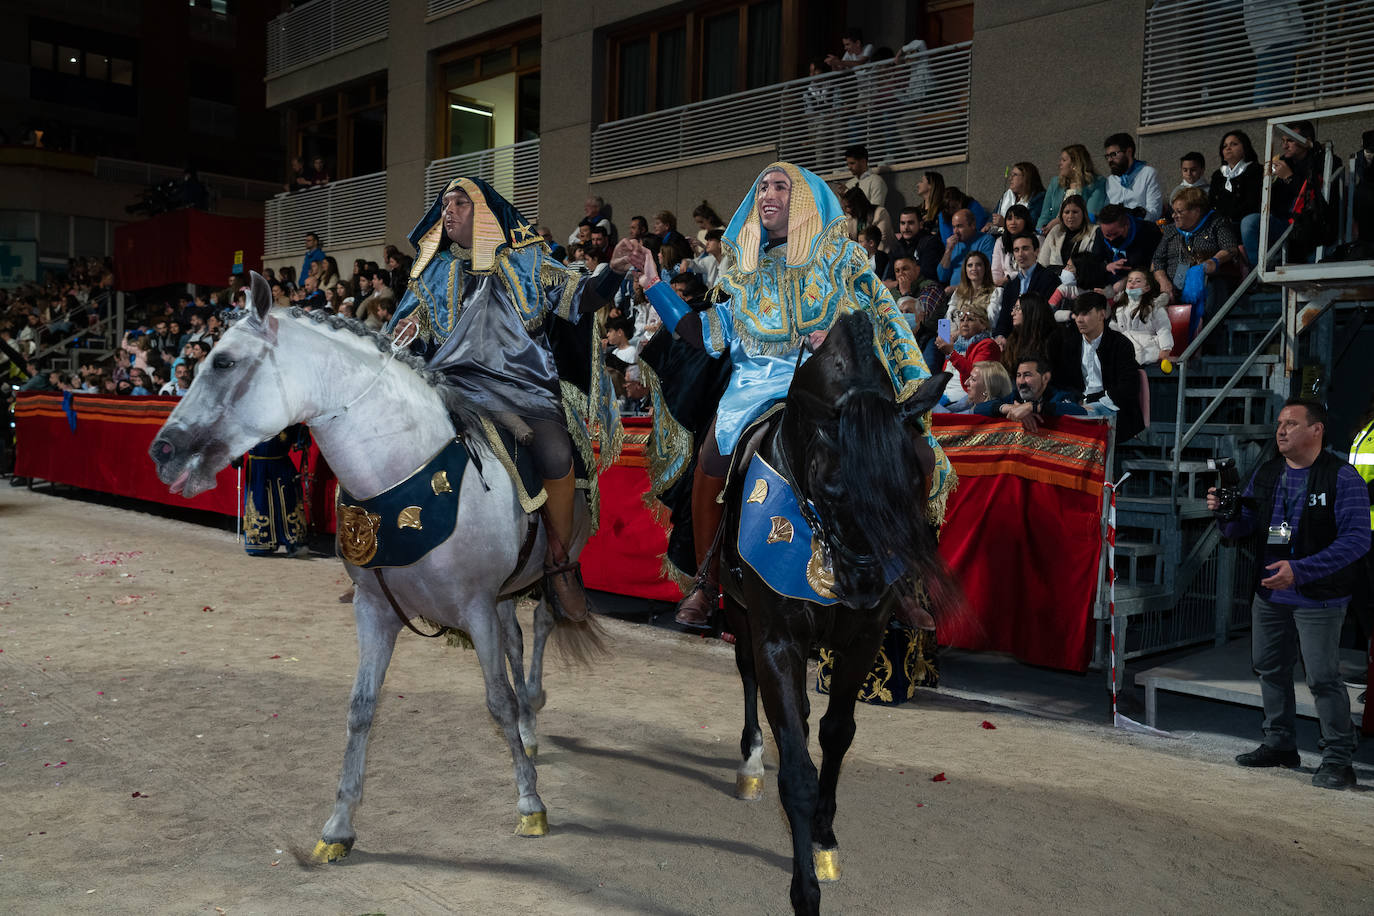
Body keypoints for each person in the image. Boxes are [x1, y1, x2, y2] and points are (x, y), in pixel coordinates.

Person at [632, 161, 953, 628]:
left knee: (912, 457)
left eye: (780, 186)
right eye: (762, 185)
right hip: (753, 388)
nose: (768, 192)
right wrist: (654, 285)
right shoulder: (742, 271)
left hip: (828, 384)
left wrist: (839, 333)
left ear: (800, 200)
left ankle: (897, 579)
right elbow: (704, 332)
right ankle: (706, 582)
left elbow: (880, 321)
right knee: (713, 458)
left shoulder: (842, 258)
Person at [386, 177, 634, 623]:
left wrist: (612, 272)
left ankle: (559, 564)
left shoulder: (526, 261)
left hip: (522, 390)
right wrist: (400, 343)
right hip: (452, 388)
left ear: (485, 211)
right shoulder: (431, 272)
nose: (450, 209)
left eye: (461, 202)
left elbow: (578, 300)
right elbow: (402, 336)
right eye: (445, 203)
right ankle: (382, 555)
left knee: (558, 454)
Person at [1208, 399, 1369, 789]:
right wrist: (1224, 512)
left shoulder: (1342, 478)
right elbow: (1243, 526)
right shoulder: (1267, 473)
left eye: (1292, 424)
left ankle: (1338, 758)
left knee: (1323, 678)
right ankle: (1280, 744)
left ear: (1317, 431)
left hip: (1319, 597)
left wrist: (1299, 571)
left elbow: (1357, 540)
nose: (1281, 431)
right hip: (1271, 596)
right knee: (1270, 670)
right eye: (1280, 423)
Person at [1052, 292, 1143, 442]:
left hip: (1112, 406)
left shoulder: (1120, 344)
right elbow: (1061, 382)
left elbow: (1128, 387)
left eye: (1085, 313)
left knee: (1081, 418)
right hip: (1078, 404)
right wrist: (1077, 400)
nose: (1079, 319)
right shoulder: (1069, 344)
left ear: (1102, 314)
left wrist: (1094, 401)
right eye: (1076, 314)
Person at [1151, 186, 1240, 337]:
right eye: (1174, 211)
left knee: (1213, 288)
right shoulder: (1171, 231)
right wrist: (1163, 281)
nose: (1174, 216)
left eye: (1180, 212)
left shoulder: (1215, 223)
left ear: (1196, 211)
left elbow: (1230, 248)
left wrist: (1214, 261)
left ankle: (1205, 342)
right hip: (1172, 287)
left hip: (1206, 283)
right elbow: (1157, 260)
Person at [241, 426, 311, 558]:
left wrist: (301, 434)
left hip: (281, 463)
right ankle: (260, 542)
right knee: (260, 504)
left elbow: (294, 424)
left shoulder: (284, 409)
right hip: (258, 466)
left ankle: (295, 542)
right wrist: (235, 455)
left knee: (288, 502)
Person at [976, 353, 1088, 432]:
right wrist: (1009, 408)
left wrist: (1033, 407)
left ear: (1045, 378)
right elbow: (978, 409)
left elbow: (1080, 411)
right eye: (1018, 375)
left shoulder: (1059, 396)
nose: (1021, 381)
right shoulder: (1014, 397)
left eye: (1027, 375)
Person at [1209, 130, 1264, 265]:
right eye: (1225, 146)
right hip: (1222, 223)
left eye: (1234, 144)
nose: (1228, 148)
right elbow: (1211, 202)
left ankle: (1255, 272)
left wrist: (1229, 216)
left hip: (1243, 221)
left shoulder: (1255, 170)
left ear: (1245, 147)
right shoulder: (1218, 174)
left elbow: (1253, 201)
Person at [932, 300, 1000, 409]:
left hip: (966, 398)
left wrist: (951, 353)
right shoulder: (956, 345)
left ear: (983, 325)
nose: (964, 323)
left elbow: (975, 377)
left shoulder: (988, 345)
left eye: (970, 319)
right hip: (944, 395)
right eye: (962, 319)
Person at [994, 233, 1059, 338]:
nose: (1020, 254)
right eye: (1016, 250)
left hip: (1038, 338)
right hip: (1014, 340)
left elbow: (1046, 316)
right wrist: (1000, 336)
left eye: (1025, 248)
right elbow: (1004, 318)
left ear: (1036, 251)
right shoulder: (1011, 285)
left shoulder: (1049, 278)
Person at [1038, 144, 1108, 232]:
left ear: (1075, 164)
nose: (1059, 164)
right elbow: (1045, 213)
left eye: (1063, 160)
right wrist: (1041, 230)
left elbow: (1091, 214)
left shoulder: (1097, 182)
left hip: (1082, 232)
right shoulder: (1055, 182)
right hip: (1052, 232)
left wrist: (1061, 221)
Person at [1092, 203, 1164, 288]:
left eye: (1115, 234)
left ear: (1127, 225)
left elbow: (1155, 264)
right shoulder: (1100, 233)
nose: (1111, 239)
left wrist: (1126, 281)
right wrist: (1106, 267)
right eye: (1107, 235)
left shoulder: (1149, 232)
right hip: (1110, 282)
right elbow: (1094, 262)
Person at [1112, 269, 1173, 365]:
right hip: (1124, 353)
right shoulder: (1119, 309)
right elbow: (1114, 331)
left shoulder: (1154, 306)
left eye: (1138, 281)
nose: (1132, 283)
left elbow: (1163, 328)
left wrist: (1165, 350)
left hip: (1148, 353)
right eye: (1130, 280)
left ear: (1147, 288)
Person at [1103, 132, 1163, 221]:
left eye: (1113, 154)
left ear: (1129, 152)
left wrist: (1136, 215)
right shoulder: (1111, 180)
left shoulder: (1148, 174)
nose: (1110, 160)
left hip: (1140, 229)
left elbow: (1155, 213)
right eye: (1107, 156)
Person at [998, 292, 1060, 374]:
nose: (1012, 313)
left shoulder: (1050, 339)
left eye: (1017, 308)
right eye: (1013, 308)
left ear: (1030, 310)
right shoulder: (1014, 338)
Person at [937, 208, 996, 290]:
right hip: (954, 297)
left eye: (959, 226)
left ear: (972, 225)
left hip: (975, 294)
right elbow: (942, 277)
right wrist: (948, 251)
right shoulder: (954, 245)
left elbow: (985, 276)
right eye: (953, 227)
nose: (955, 231)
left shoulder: (986, 241)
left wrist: (957, 289)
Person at [1038, 195, 1099, 270]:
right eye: (1067, 212)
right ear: (1061, 215)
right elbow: (1042, 263)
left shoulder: (1094, 232)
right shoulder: (1055, 231)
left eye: (1075, 212)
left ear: (1083, 214)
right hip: (1054, 279)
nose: (1070, 216)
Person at [884, 206, 942, 285]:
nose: (906, 227)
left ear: (921, 224)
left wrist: (895, 284)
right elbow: (890, 277)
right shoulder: (897, 246)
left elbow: (926, 276)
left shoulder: (930, 243)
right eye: (903, 223)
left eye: (910, 223)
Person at [988, 162, 1046, 232]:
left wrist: (1005, 223)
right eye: (1011, 175)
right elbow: (993, 216)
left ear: (1026, 178)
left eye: (1015, 175)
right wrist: (989, 224)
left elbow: (1032, 225)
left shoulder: (1038, 198)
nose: (1010, 178)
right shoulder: (1007, 195)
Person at [990, 204, 1034, 285]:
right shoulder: (1001, 241)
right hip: (1005, 286)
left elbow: (1034, 268)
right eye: (1009, 218)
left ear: (1026, 220)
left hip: (1029, 283)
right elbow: (996, 270)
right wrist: (996, 286)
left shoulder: (1035, 239)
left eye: (1018, 218)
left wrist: (1009, 278)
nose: (1013, 222)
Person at [842, 186, 893, 253]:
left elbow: (882, 243)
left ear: (859, 204)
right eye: (844, 207)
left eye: (849, 206)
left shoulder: (879, 213)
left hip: (883, 256)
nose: (846, 211)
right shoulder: (850, 218)